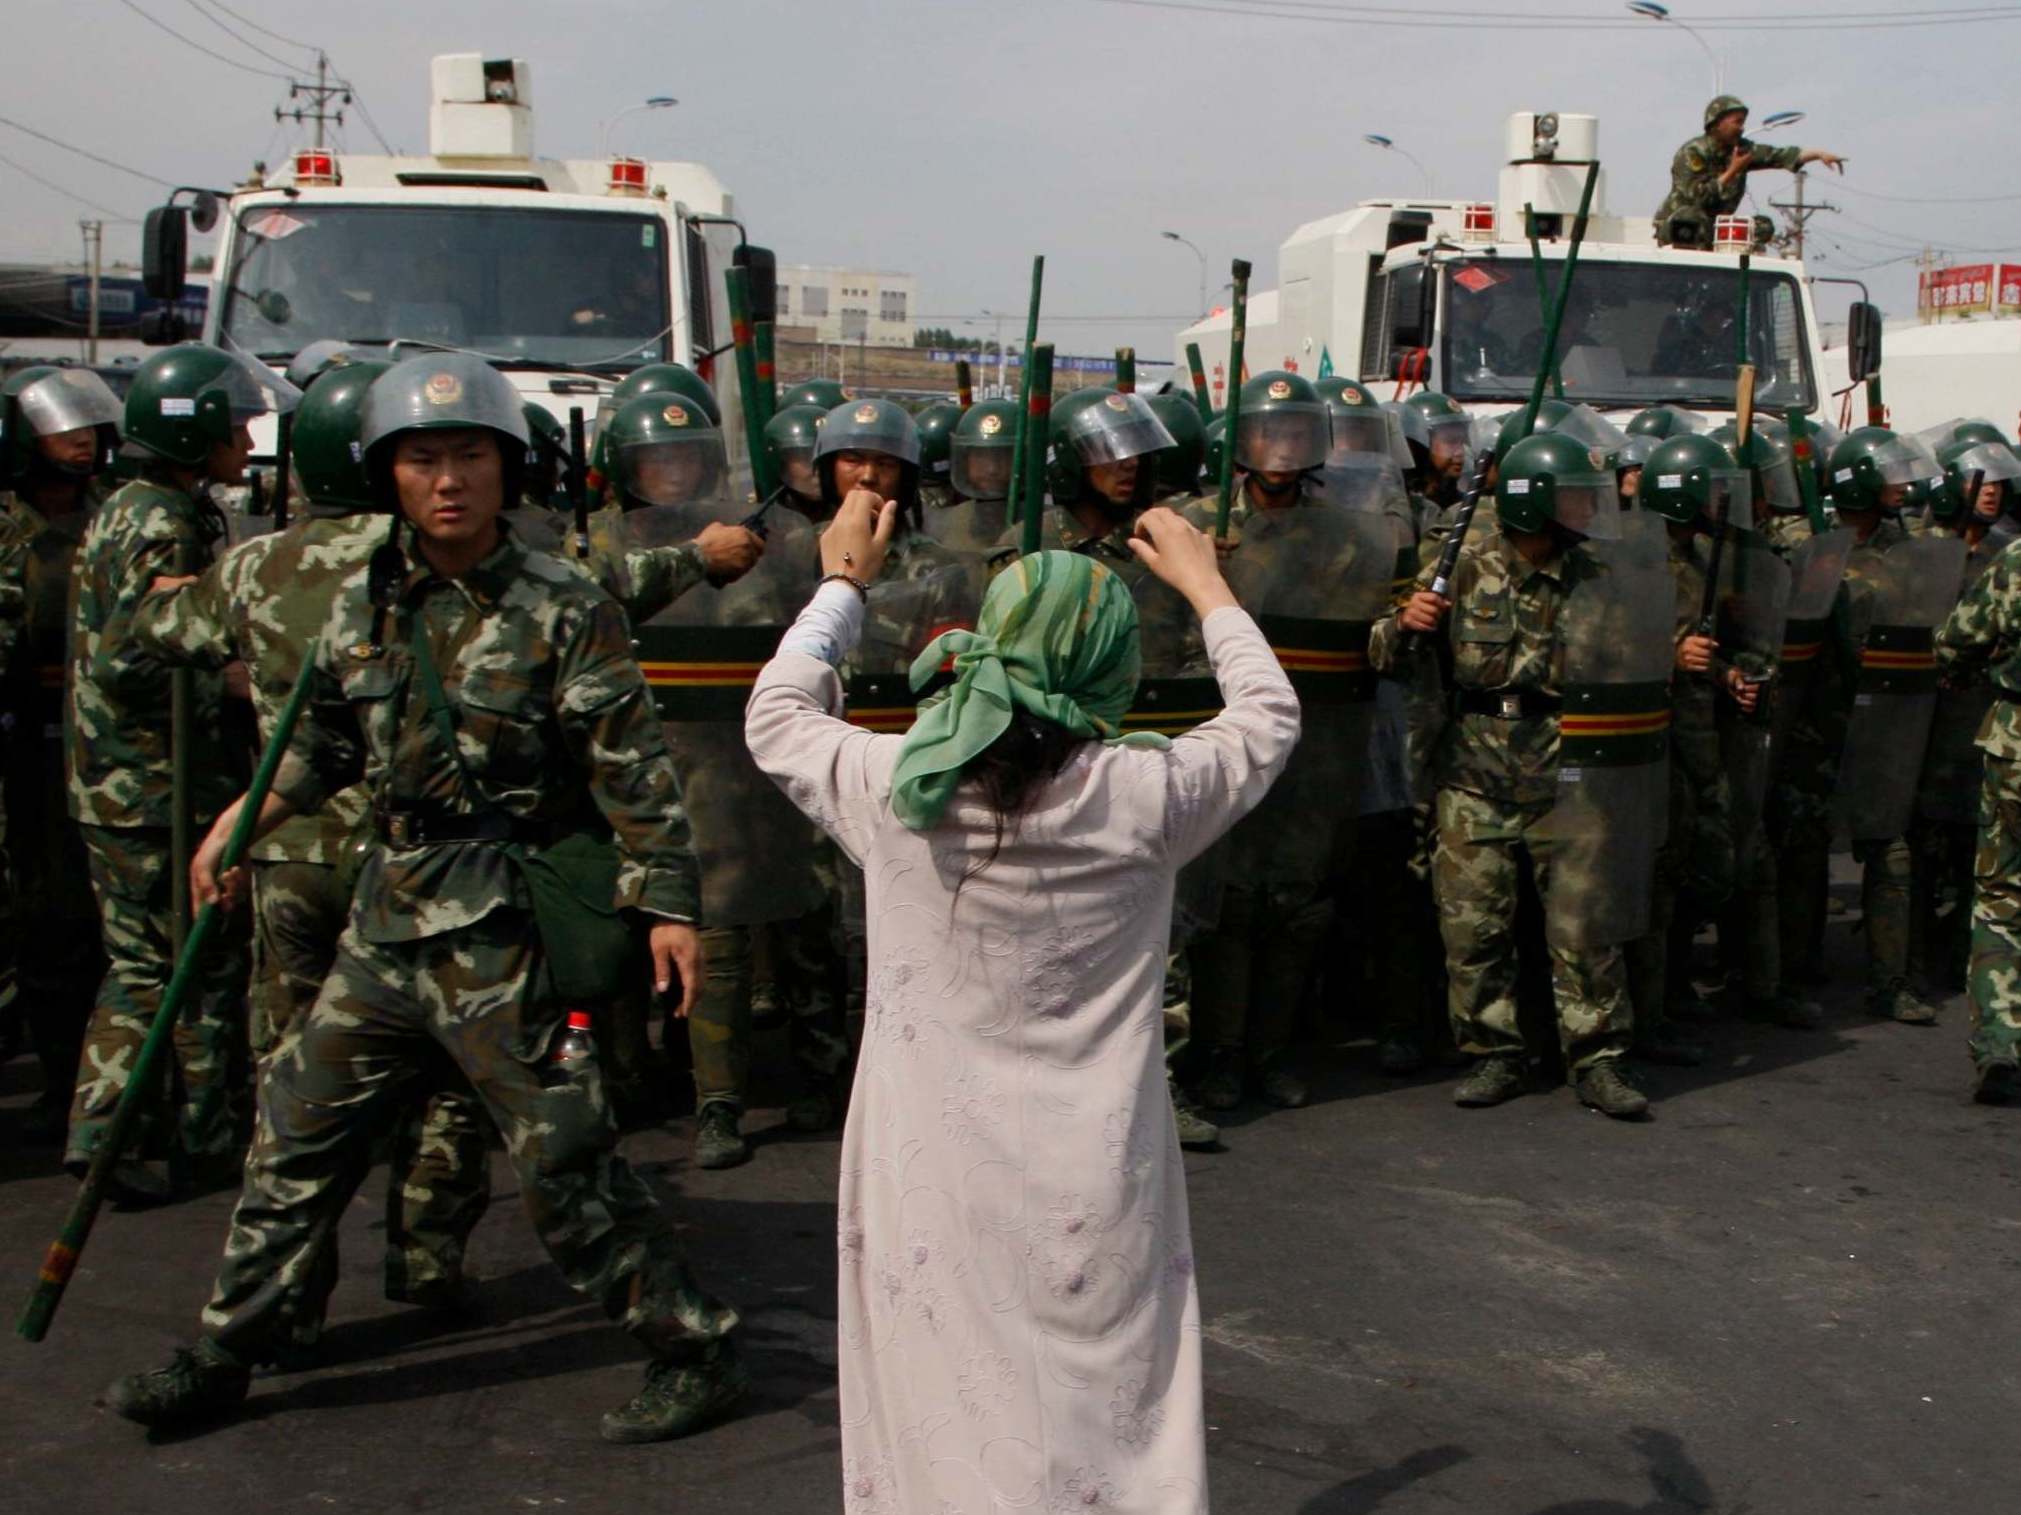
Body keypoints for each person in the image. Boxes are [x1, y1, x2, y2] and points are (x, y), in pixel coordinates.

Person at [103, 352, 744, 1443]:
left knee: (561, 1157)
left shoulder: (563, 605)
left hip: (497, 926)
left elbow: (628, 767)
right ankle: (229, 1347)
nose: (447, 480)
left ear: (508, 471)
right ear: (386, 474)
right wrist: (244, 817)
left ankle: (692, 1344)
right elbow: (325, 740)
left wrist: (669, 907)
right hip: (387, 916)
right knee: (293, 1136)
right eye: (422, 459)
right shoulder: (363, 597)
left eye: (470, 458)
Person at [745, 493, 1300, 1515]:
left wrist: (841, 582)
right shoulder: (1145, 799)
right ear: (1109, 670)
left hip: (928, 1173)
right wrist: (1205, 583)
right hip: (1094, 1173)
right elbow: (1266, 715)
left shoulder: (893, 791)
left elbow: (775, 713)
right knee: (1103, 1406)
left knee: (940, 1402)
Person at [129, 357, 493, 1355]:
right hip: (410, 862)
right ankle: (427, 1252)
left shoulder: (256, 565)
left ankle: (289, 1293)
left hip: (285, 851)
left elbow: (163, 628)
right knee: (443, 1066)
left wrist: (183, 602)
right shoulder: (424, 560)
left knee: (296, 1086)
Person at [1374, 430, 1661, 1119]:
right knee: (1473, 928)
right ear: (1534, 502)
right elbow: (1383, 652)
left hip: (1572, 771)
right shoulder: (1459, 559)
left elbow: (1638, 660)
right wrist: (1404, 622)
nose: (1585, 512)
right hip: (1473, 772)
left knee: (1584, 926)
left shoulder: (1601, 572)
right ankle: (1492, 1052)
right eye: (1570, 498)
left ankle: (1597, 1058)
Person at [65, 344, 294, 1199]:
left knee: (166, 961)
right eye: (229, 421)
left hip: (125, 779)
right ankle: (133, 1130)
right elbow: (142, 651)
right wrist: (238, 671)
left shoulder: (141, 506)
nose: (244, 435)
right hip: (152, 783)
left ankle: (164, 1128)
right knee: (173, 964)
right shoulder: (159, 521)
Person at [0, 366, 122, 1140]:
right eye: (60, 430)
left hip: (98, 742)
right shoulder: (8, 525)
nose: (78, 445)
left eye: (88, 429)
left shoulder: (113, 518)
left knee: (83, 917)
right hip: (17, 740)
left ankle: (78, 1081)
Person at [1830, 428, 1967, 1028]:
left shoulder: (1911, 550)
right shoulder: (1818, 549)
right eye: (1889, 477)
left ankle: (1892, 980)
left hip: (1893, 724)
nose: (1903, 488)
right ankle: (1777, 974)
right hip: (1827, 721)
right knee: (1793, 854)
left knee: (1895, 851)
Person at [1935, 513, 2021, 1102]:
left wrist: (1963, 675)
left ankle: (2000, 1044)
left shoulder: (2016, 560)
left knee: (2001, 901)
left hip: (2016, 746)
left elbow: (1957, 639)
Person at [1653, 96, 1845, 248]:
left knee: (1762, 228)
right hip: (1680, 226)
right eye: (1737, 122)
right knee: (1692, 218)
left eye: (1743, 122)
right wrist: (1732, 171)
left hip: (1715, 226)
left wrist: (1818, 154)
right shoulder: (1693, 152)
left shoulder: (1742, 150)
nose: (1742, 128)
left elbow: (1778, 155)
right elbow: (1696, 198)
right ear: (1718, 123)